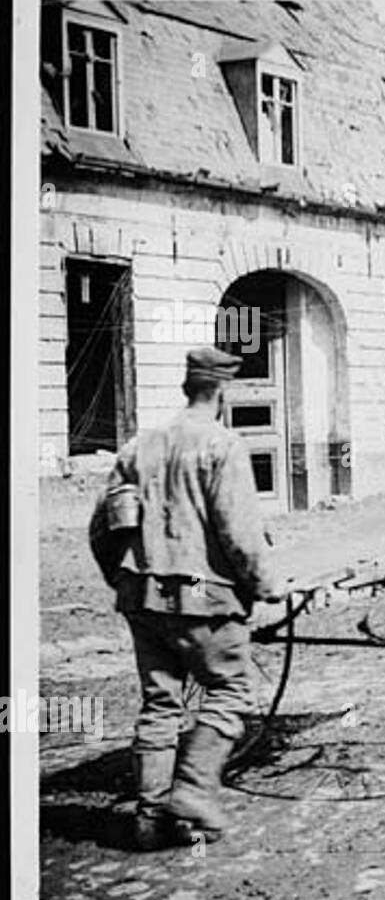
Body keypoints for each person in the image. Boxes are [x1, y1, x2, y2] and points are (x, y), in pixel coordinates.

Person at [89, 347, 285, 851]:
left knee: (160, 702)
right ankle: (194, 791)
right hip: (203, 595)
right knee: (228, 691)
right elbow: (239, 532)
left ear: (185, 388)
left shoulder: (139, 446)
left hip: (142, 594)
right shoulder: (223, 445)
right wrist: (267, 585)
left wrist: (125, 581)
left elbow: (101, 530)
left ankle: (151, 818)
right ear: (222, 392)